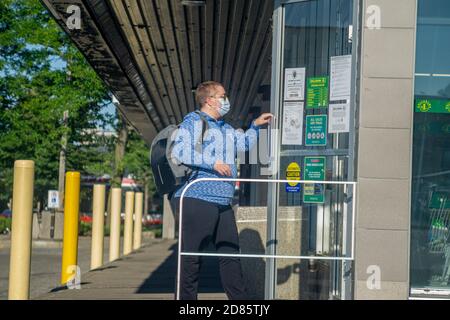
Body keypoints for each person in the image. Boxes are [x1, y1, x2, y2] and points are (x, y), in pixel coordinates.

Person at [170, 81, 273, 300]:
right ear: (209, 100)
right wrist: (212, 162)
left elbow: (244, 145)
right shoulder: (194, 121)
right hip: (198, 197)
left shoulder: (225, 127)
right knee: (191, 257)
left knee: (230, 256)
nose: (226, 100)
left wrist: (255, 125)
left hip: (223, 201)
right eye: (222, 96)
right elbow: (180, 151)